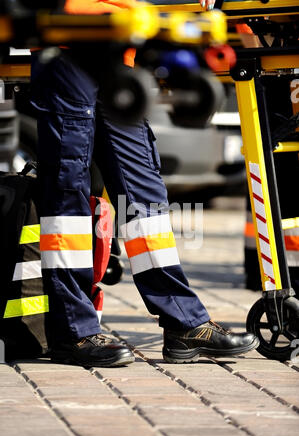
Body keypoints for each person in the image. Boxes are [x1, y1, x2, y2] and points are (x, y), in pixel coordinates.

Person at [30, 0, 259, 368]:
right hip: (67, 43)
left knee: (144, 196)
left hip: (121, 52)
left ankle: (184, 324)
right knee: (68, 191)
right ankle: (74, 331)